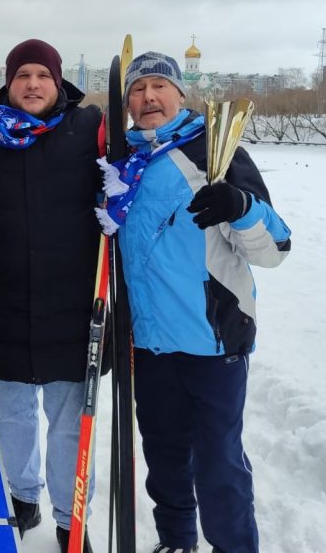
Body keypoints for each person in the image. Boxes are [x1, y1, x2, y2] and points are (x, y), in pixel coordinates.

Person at [98, 52, 291, 553]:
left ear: (180, 95)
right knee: (164, 461)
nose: (149, 97)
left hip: (215, 341)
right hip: (153, 346)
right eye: (138, 91)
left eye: (160, 86)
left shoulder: (213, 151)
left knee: (219, 466)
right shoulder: (122, 168)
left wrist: (240, 207)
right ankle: (177, 542)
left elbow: (277, 248)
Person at [0, 39, 102, 553]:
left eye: (43, 75)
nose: (33, 84)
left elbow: (139, 168)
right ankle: (21, 495)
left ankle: (68, 514)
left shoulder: (89, 128)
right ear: (8, 82)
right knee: (13, 412)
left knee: (66, 422)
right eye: (23, 76)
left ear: (58, 82)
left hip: (74, 303)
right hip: (6, 299)